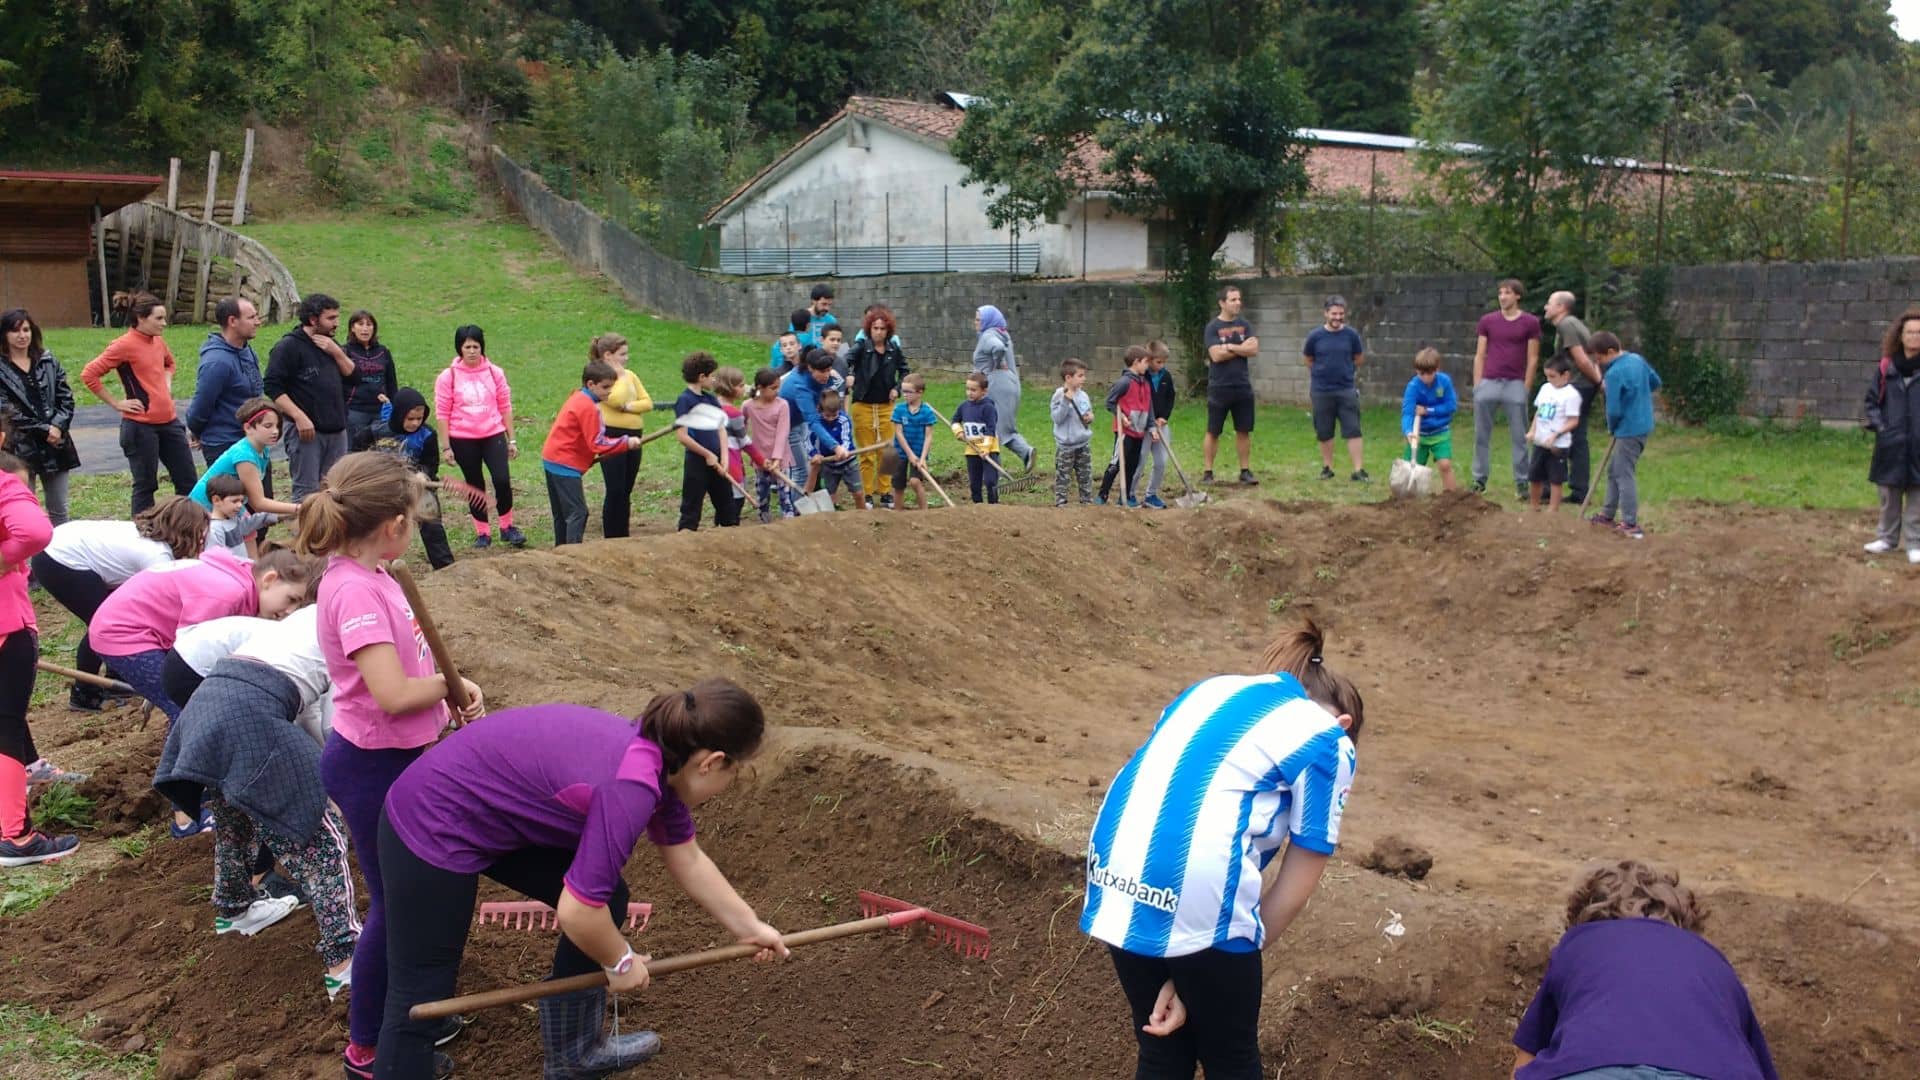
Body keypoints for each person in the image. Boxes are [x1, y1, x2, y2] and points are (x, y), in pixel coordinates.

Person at [372, 687, 789, 1078]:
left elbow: (690, 860)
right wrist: (620, 960)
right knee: (423, 994)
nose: (728, 786)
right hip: (432, 821)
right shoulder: (630, 786)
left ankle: (573, 1053)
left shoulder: (661, 760)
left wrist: (750, 929)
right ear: (712, 762)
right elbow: (577, 912)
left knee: (608, 899)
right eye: (735, 774)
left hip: (490, 815)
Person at [1082, 619, 1362, 1080]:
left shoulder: (1211, 690)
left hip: (1112, 870)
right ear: (1345, 723)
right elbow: (1295, 886)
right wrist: (1216, 961)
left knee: (1162, 1048)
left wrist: (1193, 975)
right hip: (1196, 883)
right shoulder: (1329, 738)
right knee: (1231, 1059)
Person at [293, 452, 485, 1079]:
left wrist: (450, 687)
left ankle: (412, 1013)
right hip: (373, 767)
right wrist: (448, 686)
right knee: (395, 906)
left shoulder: (378, 573)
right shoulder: (353, 592)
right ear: (396, 523)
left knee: (408, 899)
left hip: (399, 756)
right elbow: (395, 693)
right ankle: (369, 1045)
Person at [153, 604, 361, 1000]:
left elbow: (309, 712)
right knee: (323, 842)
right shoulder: (349, 631)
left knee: (235, 821)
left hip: (207, 704)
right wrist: (332, 792)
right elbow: (334, 727)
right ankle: (346, 959)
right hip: (249, 712)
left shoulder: (306, 619)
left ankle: (235, 910)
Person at [1512, 859, 1778, 1080]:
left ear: (1583, 920)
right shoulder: (1715, 963)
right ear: (1686, 925)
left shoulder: (1577, 946)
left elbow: (1523, 1065)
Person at [88, 547, 318, 728]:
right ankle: (181, 780)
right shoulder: (226, 594)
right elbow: (188, 654)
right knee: (191, 711)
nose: (290, 611)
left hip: (142, 629)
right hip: (122, 633)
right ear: (269, 579)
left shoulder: (245, 576)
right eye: (291, 599)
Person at [30, 498, 209, 712]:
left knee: (119, 621)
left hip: (69, 542)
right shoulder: (155, 555)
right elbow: (159, 608)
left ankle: (117, 677)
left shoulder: (151, 536)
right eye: (200, 533)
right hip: (60, 559)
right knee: (105, 625)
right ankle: (84, 693)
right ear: (186, 530)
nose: (202, 540)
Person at [0, 437, 75, 866]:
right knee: (6, 726)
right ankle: (17, 837)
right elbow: (35, 531)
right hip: (7, 623)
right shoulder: (6, 484)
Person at [81, 292, 198, 514]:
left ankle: (187, 528)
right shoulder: (123, 345)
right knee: (146, 485)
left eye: (164, 318)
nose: (164, 324)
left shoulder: (158, 341)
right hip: (140, 427)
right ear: (141, 318)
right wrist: (117, 403)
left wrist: (166, 382)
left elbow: (169, 364)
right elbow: (89, 374)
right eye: (159, 319)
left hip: (170, 422)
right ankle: (142, 534)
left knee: (188, 480)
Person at [434, 325, 522, 548]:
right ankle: (483, 532)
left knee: (502, 480)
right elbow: (442, 413)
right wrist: (446, 447)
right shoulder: (448, 377)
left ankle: (507, 526)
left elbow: (505, 406)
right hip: (462, 438)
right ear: (459, 349)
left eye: (476, 346)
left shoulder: (495, 372)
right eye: (467, 346)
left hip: (493, 434)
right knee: (475, 485)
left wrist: (511, 439)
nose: (472, 351)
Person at [266, 293, 355, 502]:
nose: (337, 324)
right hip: (306, 433)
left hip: (337, 430)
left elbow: (353, 375)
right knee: (307, 494)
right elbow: (272, 386)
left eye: (337, 317)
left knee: (335, 491)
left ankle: (329, 534)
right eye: (331, 318)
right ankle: (306, 534)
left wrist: (337, 353)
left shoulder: (331, 345)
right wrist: (298, 416)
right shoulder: (288, 347)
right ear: (313, 320)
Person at [542, 361, 640, 547]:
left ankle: (560, 550)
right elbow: (598, 443)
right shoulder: (587, 406)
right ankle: (572, 553)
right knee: (577, 512)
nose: (609, 391)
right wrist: (626, 442)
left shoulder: (578, 397)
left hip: (552, 458)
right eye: (605, 387)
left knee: (562, 513)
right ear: (590, 384)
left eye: (612, 387)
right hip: (564, 464)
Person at [359, 388, 455, 571]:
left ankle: (445, 568)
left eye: (419, 419)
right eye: (410, 418)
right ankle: (374, 567)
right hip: (384, 489)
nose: (415, 423)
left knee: (431, 525)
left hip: (418, 488)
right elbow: (356, 452)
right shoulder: (376, 430)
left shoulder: (427, 435)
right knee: (378, 528)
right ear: (399, 413)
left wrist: (423, 474)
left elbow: (430, 463)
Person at [0, 309, 78, 524]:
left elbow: (66, 398)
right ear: (4, 335)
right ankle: (31, 556)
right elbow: (6, 410)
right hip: (20, 446)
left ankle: (61, 556)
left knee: (59, 509)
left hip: (56, 444)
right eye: (15, 331)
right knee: (25, 508)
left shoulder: (47, 360)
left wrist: (58, 426)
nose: (22, 335)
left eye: (26, 330)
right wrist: (45, 430)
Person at [1473, 278, 1543, 500]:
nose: (1503, 297)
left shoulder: (1530, 322)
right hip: (1489, 382)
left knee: (1519, 436)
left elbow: (1533, 358)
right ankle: (1479, 478)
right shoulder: (1488, 321)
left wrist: (1526, 387)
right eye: (1500, 293)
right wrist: (1478, 385)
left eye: (1507, 293)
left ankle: (1522, 482)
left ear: (1517, 296)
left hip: (1515, 383)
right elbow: (1480, 354)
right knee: (1481, 434)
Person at [1589, 332, 1663, 541]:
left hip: (1628, 429)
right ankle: (1607, 515)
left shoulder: (1613, 374)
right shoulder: (1637, 360)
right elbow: (1655, 382)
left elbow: (1613, 410)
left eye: (1600, 358)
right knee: (1614, 470)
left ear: (1611, 352)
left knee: (1623, 473)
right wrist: (1637, 395)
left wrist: (1612, 427)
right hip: (1642, 425)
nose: (1598, 363)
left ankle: (1630, 523)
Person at [1864, 308, 1920, 564]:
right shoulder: (1887, 367)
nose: (1914, 337)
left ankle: (1915, 543)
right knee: (1889, 496)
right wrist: (1882, 428)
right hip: (1891, 445)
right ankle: (1886, 539)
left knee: (1917, 498)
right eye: (1910, 332)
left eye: (1919, 333)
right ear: (1900, 336)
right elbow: (1872, 402)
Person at [188, 297, 267, 470]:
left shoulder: (245, 349)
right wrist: (197, 431)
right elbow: (201, 405)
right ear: (232, 321)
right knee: (235, 497)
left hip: (252, 440)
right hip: (225, 445)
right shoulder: (217, 362)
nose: (258, 322)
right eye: (251, 317)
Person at [190, 397, 301, 519]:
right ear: (248, 428)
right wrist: (299, 508)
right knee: (247, 531)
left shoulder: (262, 449)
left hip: (229, 504)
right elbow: (258, 503)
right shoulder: (244, 455)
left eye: (278, 426)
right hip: (203, 511)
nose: (275, 431)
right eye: (268, 426)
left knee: (249, 532)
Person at [590, 333, 652, 540]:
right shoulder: (605, 378)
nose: (626, 358)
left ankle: (623, 534)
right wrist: (621, 376)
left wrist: (628, 407)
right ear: (608, 355)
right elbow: (614, 400)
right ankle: (612, 536)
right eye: (622, 354)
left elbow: (647, 402)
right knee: (615, 488)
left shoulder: (631, 375)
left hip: (635, 435)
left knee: (626, 489)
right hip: (611, 434)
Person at [1544, 291, 1603, 506]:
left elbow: (1582, 360)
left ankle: (1573, 489)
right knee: (1576, 436)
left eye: (1549, 303)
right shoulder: (1573, 323)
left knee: (1571, 436)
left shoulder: (1566, 325)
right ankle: (1575, 488)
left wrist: (1599, 383)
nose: (1545, 307)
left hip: (1578, 386)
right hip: (1582, 385)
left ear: (1561, 307)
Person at [846, 306, 909, 507]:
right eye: (875, 328)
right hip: (863, 404)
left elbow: (905, 370)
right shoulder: (861, 347)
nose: (879, 332)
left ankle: (885, 492)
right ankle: (867, 493)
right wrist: (851, 376)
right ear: (869, 329)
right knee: (866, 452)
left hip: (885, 406)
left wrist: (897, 389)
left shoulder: (893, 349)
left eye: (882, 328)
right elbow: (846, 361)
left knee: (887, 451)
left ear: (888, 330)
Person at [1303, 295, 1367, 483]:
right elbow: (1308, 359)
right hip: (1321, 391)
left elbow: (1359, 358)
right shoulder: (1315, 336)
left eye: (1341, 313)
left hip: (1346, 389)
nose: (1338, 317)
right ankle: (1327, 468)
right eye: (1334, 313)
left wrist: (1346, 371)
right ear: (1326, 314)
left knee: (1353, 429)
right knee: (1324, 431)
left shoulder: (1351, 335)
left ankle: (1358, 470)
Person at [1202, 286, 1260, 486]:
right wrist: (1241, 348)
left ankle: (1245, 471)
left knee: (1243, 429)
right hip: (1219, 386)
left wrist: (1230, 346)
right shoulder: (1213, 327)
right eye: (1233, 299)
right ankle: (1208, 472)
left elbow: (1253, 349)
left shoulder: (1245, 325)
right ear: (1222, 303)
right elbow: (1216, 356)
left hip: (1242, 386)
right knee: (1213, 430)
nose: (1238, 303)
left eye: (1239, 299)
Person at [675, 352, 736, 532]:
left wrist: (724, 457)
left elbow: (721, 428)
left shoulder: (711, 399)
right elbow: (683, 436)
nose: (714, 379)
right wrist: (707, 454)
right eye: (712, 376)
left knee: (726, 504)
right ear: (702, 377)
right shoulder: (685, 400)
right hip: (697, 461)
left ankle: (731, 538)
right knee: (691, 505)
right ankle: (686, 538)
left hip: (717, 459)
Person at [1099, 347, 1154, 508]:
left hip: (1139, 431)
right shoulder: (1124, 382)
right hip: (1125, 431)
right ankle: (1102, 494)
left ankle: (1126, 497)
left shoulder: (1145, 383)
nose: (1147, 366)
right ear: (1136, 362)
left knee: (1132, 464)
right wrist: (1121, 416)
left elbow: (1149, 407)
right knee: (1117, 462)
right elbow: (1110, 402)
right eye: (1145, 362)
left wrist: (1151, 427)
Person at [1400, 347, 1459, 493]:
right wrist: (1408, 431)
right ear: (1416, 371)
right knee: (1410, 467)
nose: (1425, 377)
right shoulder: (1413, 387)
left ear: (1437, 369)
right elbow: (1407, 413)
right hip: (1420, 434)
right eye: (1421, 374)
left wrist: (1428, 411)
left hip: (1440, 432)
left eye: (1429, 373)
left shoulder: (1444, 382)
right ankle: (1405, 502)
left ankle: (1452, 498)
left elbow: (1451, 406)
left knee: (1445, 465)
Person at [1527, 357, 1581, 511]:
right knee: (1535, 475)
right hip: (1541, 441)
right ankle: (1534, 506)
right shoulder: (1545, 388)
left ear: (1565, 375)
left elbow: (1573, 421)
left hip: (1558, 445)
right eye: (1547, 376)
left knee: (1555, 479)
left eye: (1553, 376)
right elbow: (1539, 411)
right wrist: (1532, 430)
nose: (1549, 380)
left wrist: (1557, 434)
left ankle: (1553, 510)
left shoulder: (1571, 395)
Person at [745, 368, 795, 521]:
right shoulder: (748, 406)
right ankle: (765, 523)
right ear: (760, 387)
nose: (777, 391)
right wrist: (753, 454)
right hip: (760, 458)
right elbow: (740, 429)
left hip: (781, 458)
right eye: (773, 388)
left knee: (785, 494)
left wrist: (777, 458)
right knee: (762, 493)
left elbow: (782, 433)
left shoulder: (782, 405)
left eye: (778, 387)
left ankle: (789, 521)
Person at [344, 309, 399, 443]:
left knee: (381, 450)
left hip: (380, 410)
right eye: (360, 324)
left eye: (369, 324)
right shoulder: (345, 351)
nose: (365, 329)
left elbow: (391, 382)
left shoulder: (383, 352)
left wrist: (395, 406)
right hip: (355, 410)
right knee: (354, 452)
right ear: (352, 328)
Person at [1051, 359, 1096, 507]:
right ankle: (1061, 502)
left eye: (1084, 375)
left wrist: (1090, 417)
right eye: (1080, 375)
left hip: (1083, 443)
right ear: (1068, 378)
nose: (1084, 378)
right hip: (1066, 446)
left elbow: (1087, 412)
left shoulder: (1083, 395)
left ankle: (1086, 501)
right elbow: (1057, 418)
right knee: (1063, 475)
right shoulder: (1059, 395)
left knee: (1085, 475)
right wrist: (1065, 401)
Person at [952, 373, 1002, 505]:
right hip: (972, 450)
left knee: (991, 481)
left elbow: (991, 429)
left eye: (973, 390)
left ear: (984, 391)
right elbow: (955, 421)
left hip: (989, 449)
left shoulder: (988, 408)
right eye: (967, 389)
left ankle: (993, 506)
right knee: (975, 483)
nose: (969, 393)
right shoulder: (964, 406)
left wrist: (986, 449)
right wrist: (959, 432)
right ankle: (978, 507)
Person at [809, 390, 863, 510]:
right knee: (829, 495)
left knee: (858, 493)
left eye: (835, 415)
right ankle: (832, 518)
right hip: (827, 463)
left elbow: (847, 438)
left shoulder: (843, 420)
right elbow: (810, 441)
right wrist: (814, 454)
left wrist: (843, 450)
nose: (831, 418)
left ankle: (863, 515)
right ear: (820, 410)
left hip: (848, 461)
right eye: (827, 415)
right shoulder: (815, 422)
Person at [890, 374, 937, 510]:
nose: (905, 395)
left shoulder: (926, 412)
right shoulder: (899, 409)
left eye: (908, 392)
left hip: (919, 452)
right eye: (903, 391)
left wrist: (922, 458)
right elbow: (899, 433)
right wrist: (909, 454)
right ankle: (898, 513)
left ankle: (924, 512)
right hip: (900, 452)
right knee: (898, 484)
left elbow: (928, 436)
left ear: (919, 392)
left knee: (915, 481)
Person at [202, 474, 274, 559]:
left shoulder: (233, 520)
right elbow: (215, 559)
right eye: (235, 501)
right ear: (216, 500)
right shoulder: (215, 530)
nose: (240, 505)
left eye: (241, 501)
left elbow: (249, 524)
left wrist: (276, 517)